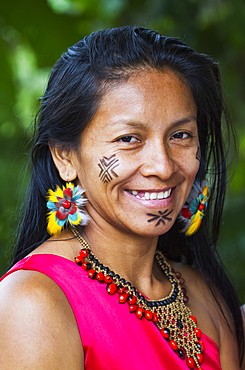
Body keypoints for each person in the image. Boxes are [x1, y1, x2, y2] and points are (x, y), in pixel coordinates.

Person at [0, 26, 243, 370]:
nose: (163, 166)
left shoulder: (204, 295)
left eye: (181, 135)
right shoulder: (33, 303)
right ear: (65, 156)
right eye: (129, 138)